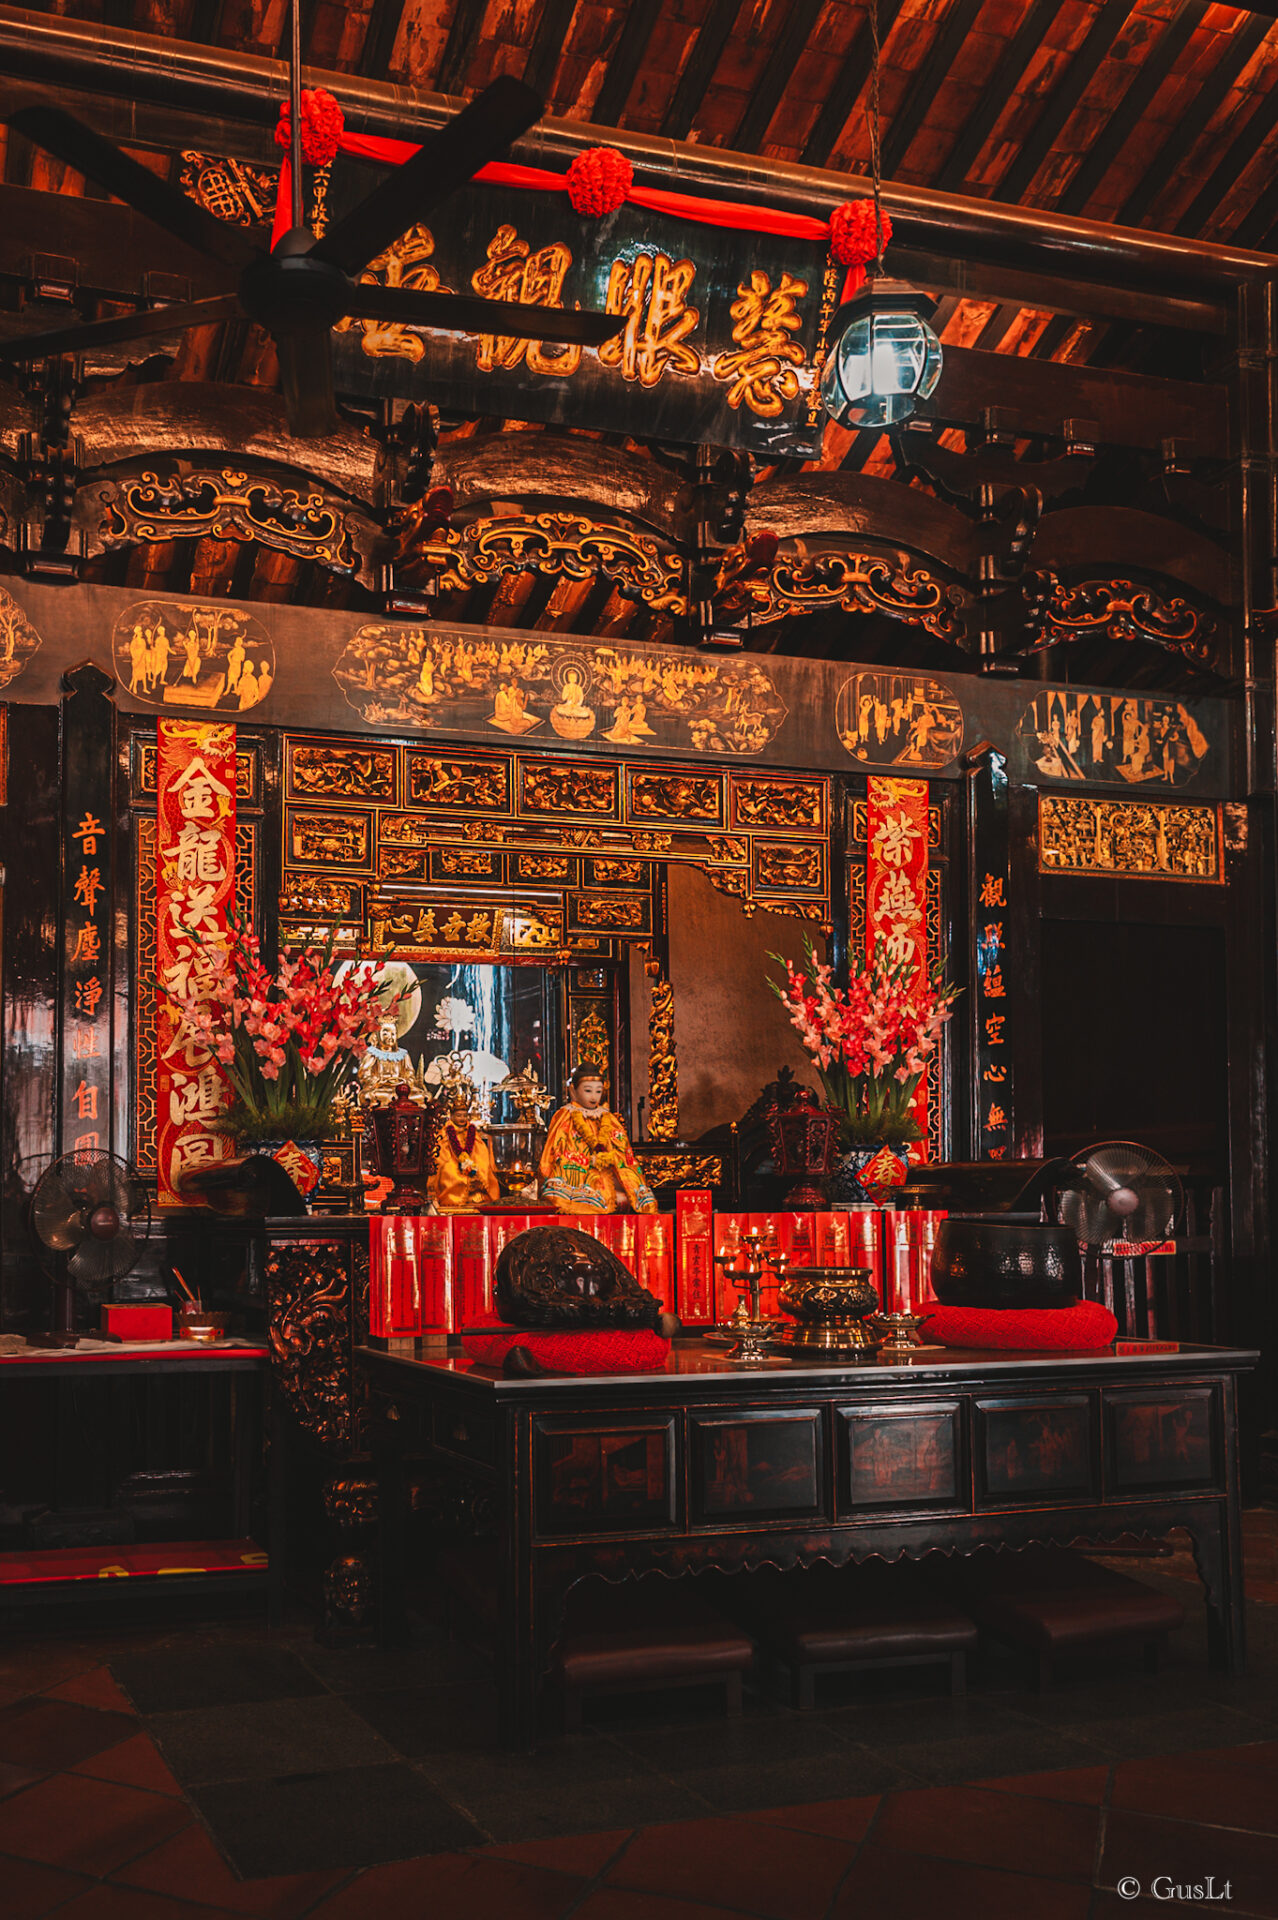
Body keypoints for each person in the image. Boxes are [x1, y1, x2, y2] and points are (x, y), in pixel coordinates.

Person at [539, 1066, 656, 1215]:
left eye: (598, 1091)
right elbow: (556, 1149)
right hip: (580, 1173)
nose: (594, 1096)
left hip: (609, 1173)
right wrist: (586, 1160)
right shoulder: (565, 1116)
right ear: (573, 1091)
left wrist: (611, 1157)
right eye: (588, 1091)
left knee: (626, 1183)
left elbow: (623, 1149)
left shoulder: (608, 1118)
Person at [429, 1088, 500, 1212]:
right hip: (451, 1158)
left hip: (472, 1159)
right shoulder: (446, 1132)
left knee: (483, 1167)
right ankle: (453, 1199)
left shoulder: (472, 1131)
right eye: (458, 1115)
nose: (462, 1119)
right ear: (451, 1116)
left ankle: (478, 1196)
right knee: (448, 1170)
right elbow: (439, 1153)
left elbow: (480, 1150)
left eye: (464, 1115)